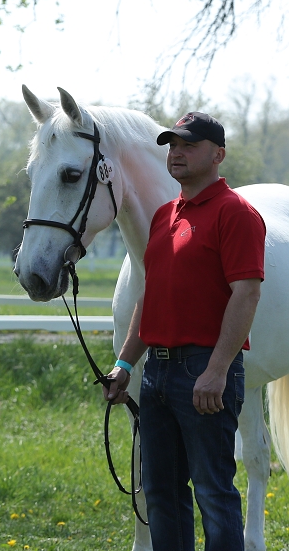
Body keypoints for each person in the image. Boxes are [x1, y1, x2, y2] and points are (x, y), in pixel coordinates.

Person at [104, 112, 266, 551]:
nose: (176, 153)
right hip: (156, 373)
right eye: (172, 145)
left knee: (214, 494)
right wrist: (123, 364)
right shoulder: (164, 216)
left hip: (204, 370)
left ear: (218, 154)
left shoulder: (236, 214)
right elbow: (150, 298)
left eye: (188, 145)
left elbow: (246, 294)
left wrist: (216, 371)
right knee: (161, 493)